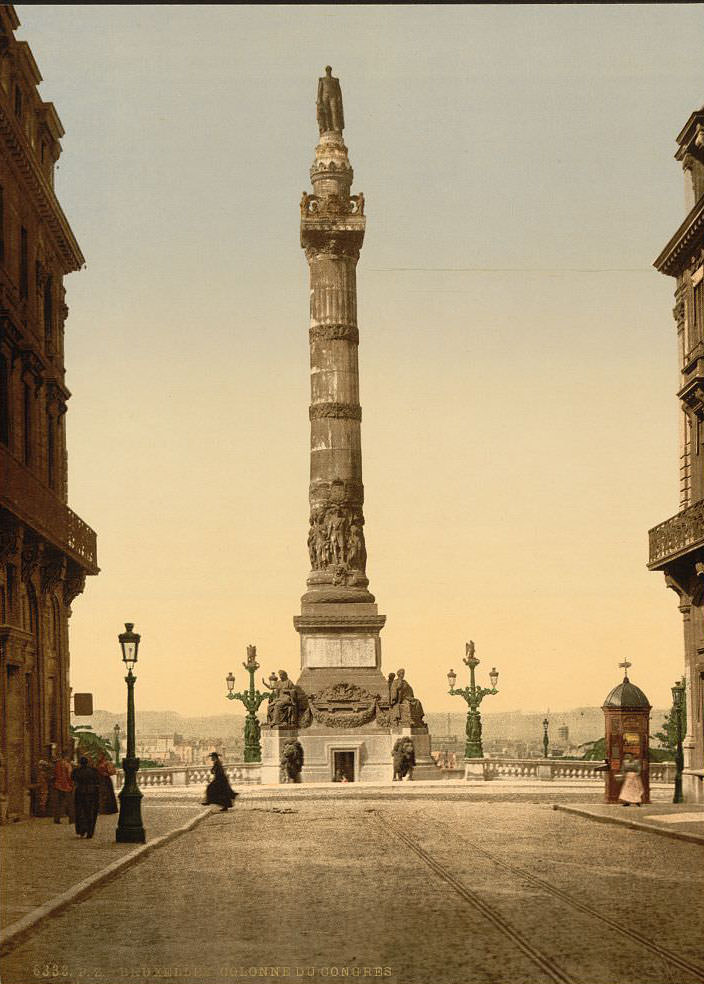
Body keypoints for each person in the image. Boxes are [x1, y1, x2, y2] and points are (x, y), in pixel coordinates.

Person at [71, 756, 100, 838]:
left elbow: (72, 778)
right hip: (91, 793)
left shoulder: (76, 771)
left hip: (80, 792)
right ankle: (90, 831)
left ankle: (82, 830)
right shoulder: (93, 771)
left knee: (80, 812)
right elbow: (97, 780)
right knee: (90, 812)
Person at [52, 750, 74, 825]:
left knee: (58, 803)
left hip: (58, 785)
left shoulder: (57, 764)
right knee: (70, 802)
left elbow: (54, 774)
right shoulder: (68, 765)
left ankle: (56, 819)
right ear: (67, 756)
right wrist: (71, 784)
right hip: (66, 786)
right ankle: (71, 819)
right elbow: (69, 776)